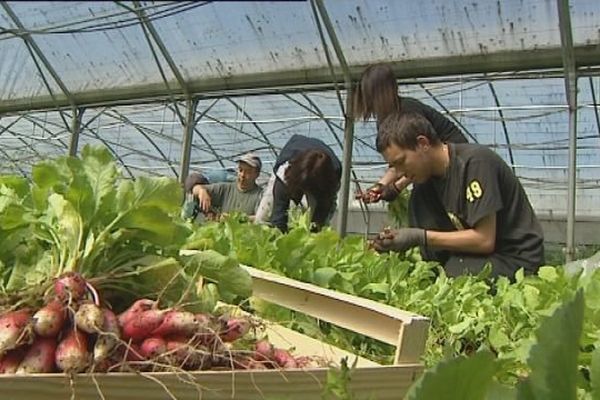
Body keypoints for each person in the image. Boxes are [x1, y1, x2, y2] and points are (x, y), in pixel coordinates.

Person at [372, 111, 544, 279]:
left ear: (423, 143)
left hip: (513, 257)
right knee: (429, 272)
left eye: (401, 162)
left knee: (455, 273)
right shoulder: (426, 185)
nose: (400, 172)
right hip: (470, 256)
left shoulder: (475, 164)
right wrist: (394, 242)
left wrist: (419, 236)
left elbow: (484, 241)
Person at [352, 63, 468, 203]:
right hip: (430, 166)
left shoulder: (408, 110)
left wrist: (397, 187)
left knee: (423, 200)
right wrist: (380, 186)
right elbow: (400, 163)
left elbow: (419, 157)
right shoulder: (386, 121)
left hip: (453, 161)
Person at [254, 134, 342, 232]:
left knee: (318, 227)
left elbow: (322, 212)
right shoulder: (285, 172)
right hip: (293, 168)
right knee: (262, 218)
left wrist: (314, 232)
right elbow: (278, 216)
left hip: (323, 183)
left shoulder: (332, 176)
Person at [183, 153, 263, 222]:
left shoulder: (261, 195)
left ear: (257, 174)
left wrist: (234, 219)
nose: (242, 175)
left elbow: (261, 218)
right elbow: (193, 187)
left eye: (248, 172)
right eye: (240, 170)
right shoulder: (226, 188)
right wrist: (201, 191)